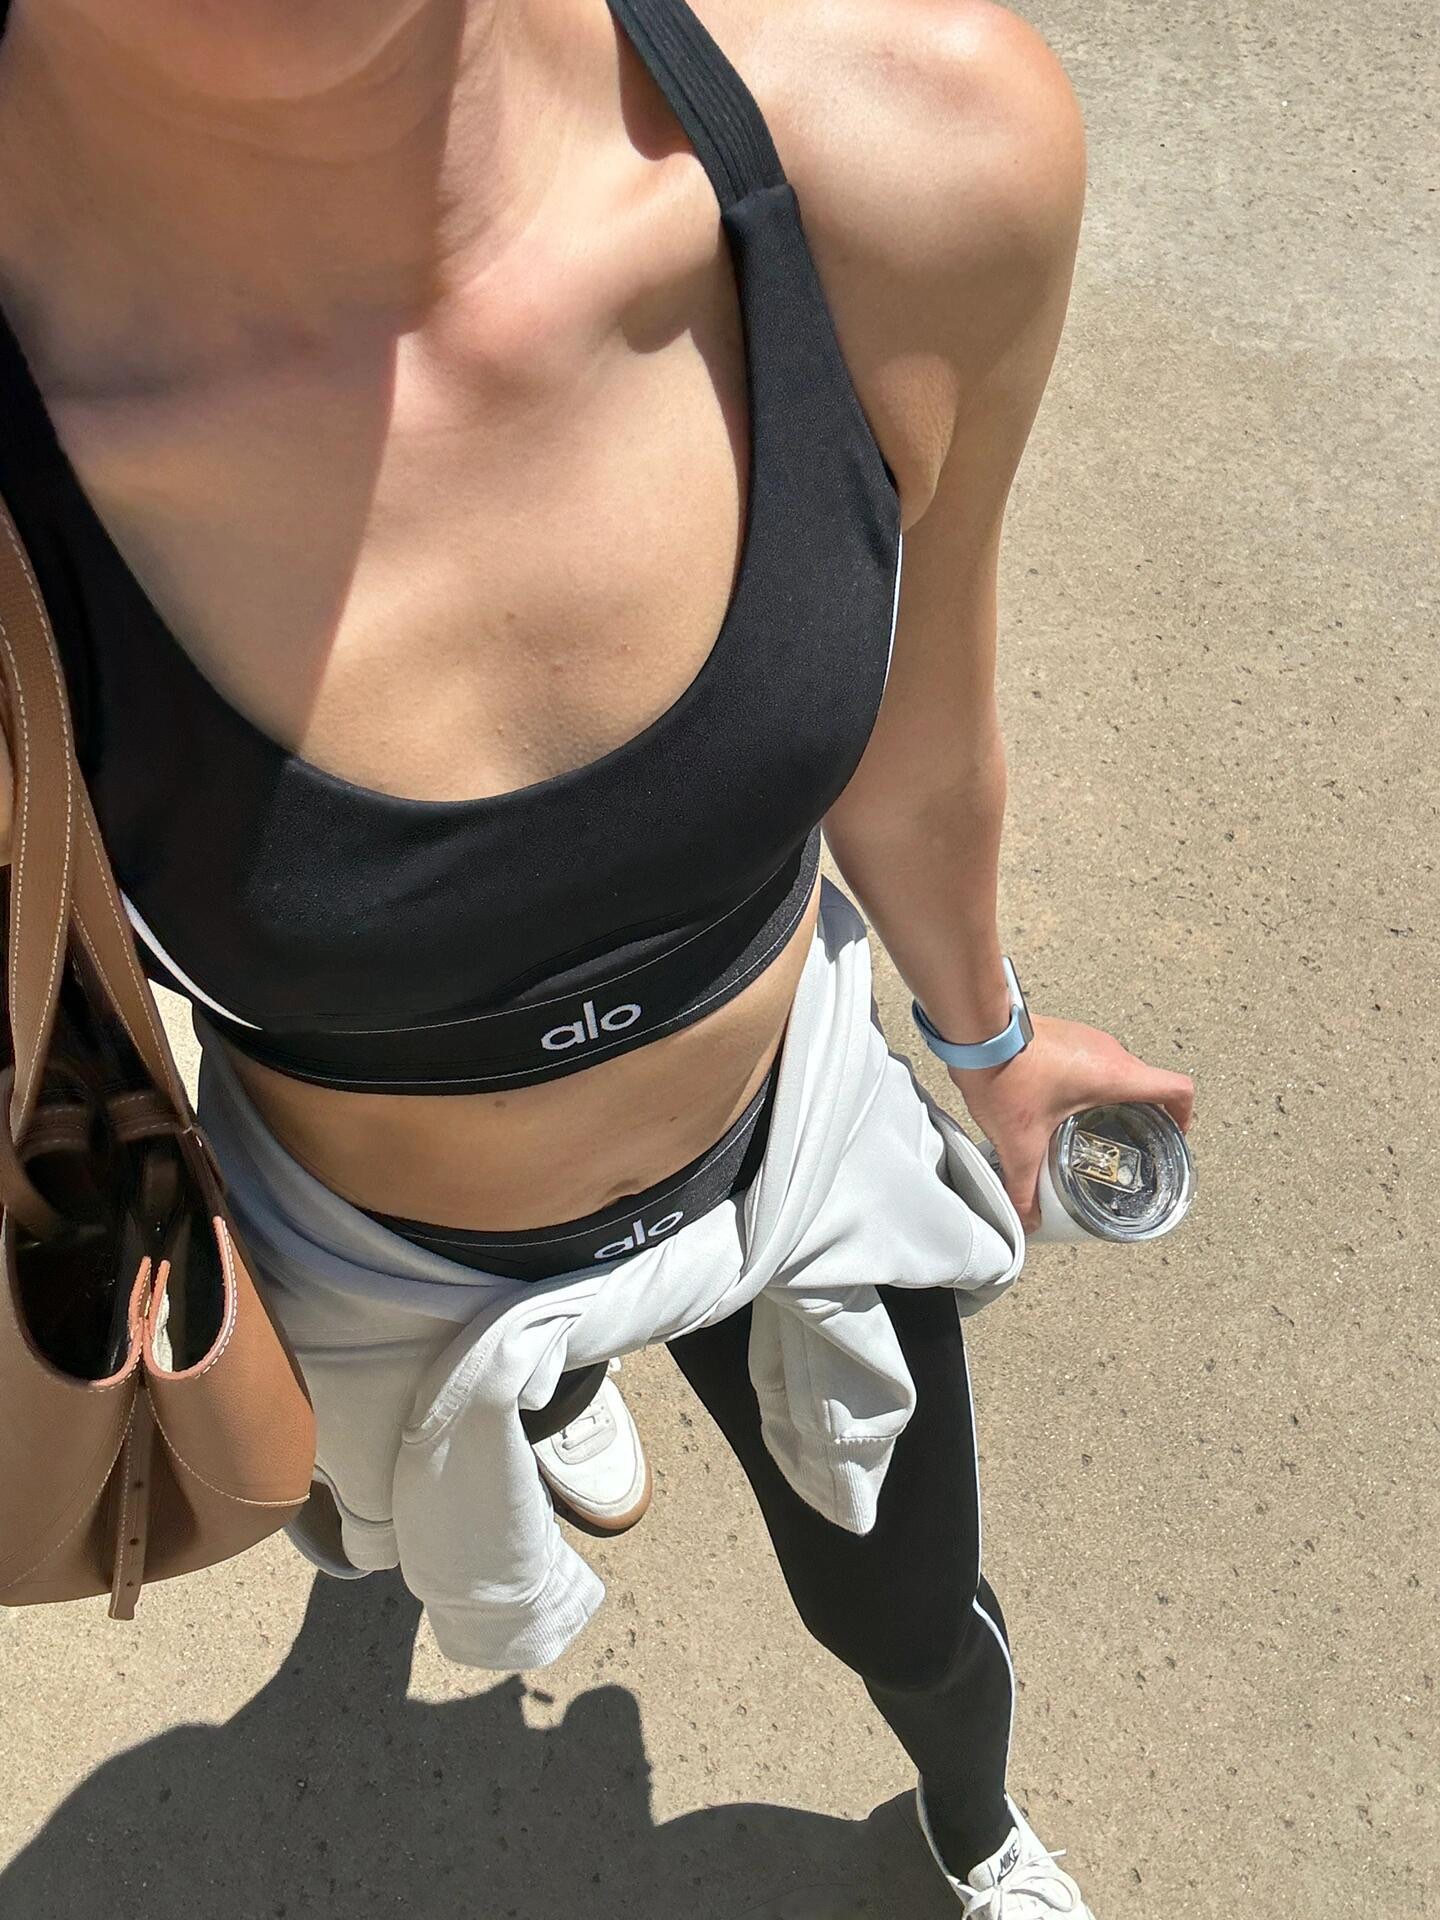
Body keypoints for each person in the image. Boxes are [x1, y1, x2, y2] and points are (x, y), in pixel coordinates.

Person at [0, 1, 1194, 1912]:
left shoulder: (908, 155)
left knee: (909, 1610)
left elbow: (918, 734)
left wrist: (992, 1039)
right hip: (383, 1267)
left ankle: (976, 1830)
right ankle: (550, 1387)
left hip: (786, 1156)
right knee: (471, 1467)